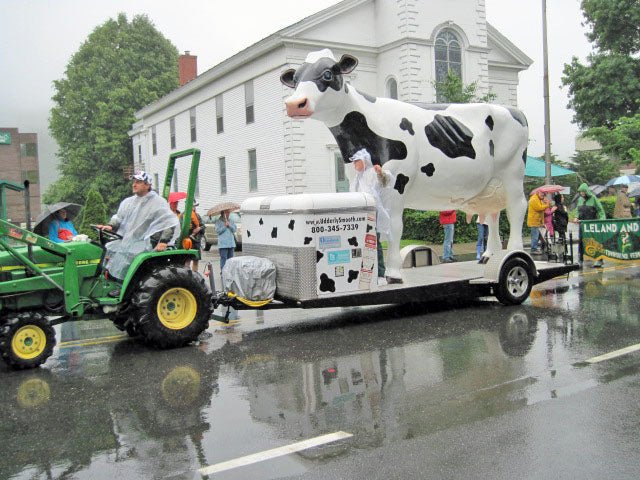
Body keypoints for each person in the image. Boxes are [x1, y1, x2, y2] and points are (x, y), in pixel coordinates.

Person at [96, 171, 179, 282]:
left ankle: (123, 286)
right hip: (130, 241)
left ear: (147, 185)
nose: (134, 184)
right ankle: (109, 281)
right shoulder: (129, 202)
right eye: (134, 182)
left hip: (148, 243)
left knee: (125, 257)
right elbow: (119, 217)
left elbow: (169, 223)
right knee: (108, 248)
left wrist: (163, 241)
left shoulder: (158, 202)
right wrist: (111, 226)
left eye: (138, 182)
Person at [348, 148, 394, 285]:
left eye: (357, 161)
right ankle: (366, 271)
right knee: (362, 243)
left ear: (364, 161)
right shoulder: (357, 178)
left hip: (372, 212)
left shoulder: (372, 173)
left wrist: (380, 172)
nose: (354, 164)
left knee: (374, 241)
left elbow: (385, 182)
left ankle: (380, 273)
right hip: (360, 213)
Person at [574, 182, 606, 267]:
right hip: (582, 224)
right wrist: (576, 217)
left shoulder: (594, 198)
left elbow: (600, 210)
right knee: (581, 242)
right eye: (580, 192)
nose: (582, 193)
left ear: (587, 191)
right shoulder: (580, 199)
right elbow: (577, 210)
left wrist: (602, 220)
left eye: (583, 192)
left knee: (595, 242)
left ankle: (599, 260)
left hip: (592, 224)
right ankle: (580, 260)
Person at [181, 200, 205, 272]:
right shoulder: (183, 215)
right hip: (187, 241)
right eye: (193, 206)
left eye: (194, 206)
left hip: (196, 241)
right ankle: (187, 276)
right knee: (187, 261)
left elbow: (203, 226)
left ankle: (195, 275)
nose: (194, 207)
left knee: (196, 261)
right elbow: (181, 228)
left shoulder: (197, 215)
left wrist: (199, 228)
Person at [527, 190, 551, 255]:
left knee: (538, 236)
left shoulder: (538, 199)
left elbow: (541, 212)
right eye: (542, 194)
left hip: (538, 221)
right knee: (535, 236)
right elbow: (539, 208)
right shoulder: (534, 199)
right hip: (534, 221)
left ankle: (538, 248)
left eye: (544, 195)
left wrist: (542, 222)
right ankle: (533, 249)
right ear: (538, 193)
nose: (543, 196)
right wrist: (547, 205)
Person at [215, 209, 237, 273]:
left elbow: (234, 230)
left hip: (231, 243)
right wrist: (224, 226)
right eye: (227, 212)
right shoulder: (218, 222)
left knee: (230, 259)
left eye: (229, 212)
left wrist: (229, 225)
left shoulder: (231, 221)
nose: (228, 214)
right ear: (223, 213)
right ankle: (223, 272)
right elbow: (218, 231)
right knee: (223, 258)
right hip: (223, 244)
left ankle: (230, 272)